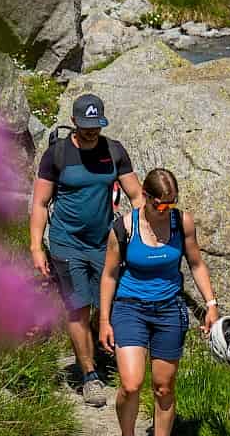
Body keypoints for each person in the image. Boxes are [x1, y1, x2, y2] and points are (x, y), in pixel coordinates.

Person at [97, 169, 221, 436]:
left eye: (172, 204)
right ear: (148, 199)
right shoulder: (125, 227)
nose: (168, 210)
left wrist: (211, 305)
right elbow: (110, 275)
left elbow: (195, 264)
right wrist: (104, 321)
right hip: (130, 308)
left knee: (164, 387)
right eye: (162, 205)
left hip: (168, 310)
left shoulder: (182, 223)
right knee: (131, 383)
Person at [30, 94, 144, 405]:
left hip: (104, 243)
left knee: (102, 305)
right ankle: (89, 375)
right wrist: (36, 246)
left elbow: (136, 195)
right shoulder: (58, 154)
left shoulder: (114, 151)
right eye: (86, 126)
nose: (92, 132)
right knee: (78, 306)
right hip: (67, 242)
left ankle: (98, 350)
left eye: (97, 126)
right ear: (75, 122)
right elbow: (40, 204)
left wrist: (138, 226)